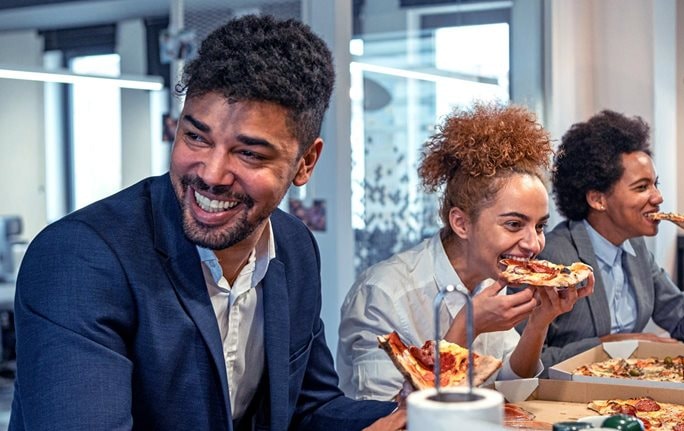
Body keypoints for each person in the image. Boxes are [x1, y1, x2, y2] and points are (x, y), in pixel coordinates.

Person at [10, 15, 403, 431]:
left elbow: (308, 408)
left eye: (249, 153)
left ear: (305, 163)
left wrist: (416, 413)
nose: (212, 174)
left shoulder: (295, 247)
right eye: (196, 137)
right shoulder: (79, 258)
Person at [337, 101, 595, 400]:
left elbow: (509, 389)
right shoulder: (382, 295)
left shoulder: (488, 279)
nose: (534, 244)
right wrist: (467, 327)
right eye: (514, 224)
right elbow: (389, 417)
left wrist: (539, 324)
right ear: (461, 223)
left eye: (540, 227)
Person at [531, 109, 684, 369]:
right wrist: (613, 345)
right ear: (598, 199)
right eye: (642, 187)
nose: (658, 197)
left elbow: (683, 325)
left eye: (656, 184)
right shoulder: (551, 258)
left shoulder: (636, 249)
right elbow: (528, 362)